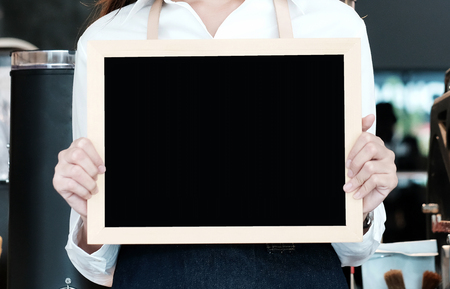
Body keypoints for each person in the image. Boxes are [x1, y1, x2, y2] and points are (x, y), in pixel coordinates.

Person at [53, 0, 398, 287]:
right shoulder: (108, 39)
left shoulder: (334, 27)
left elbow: (355, 248)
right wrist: (88, 206)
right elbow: (96, 263)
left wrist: (364, 202)